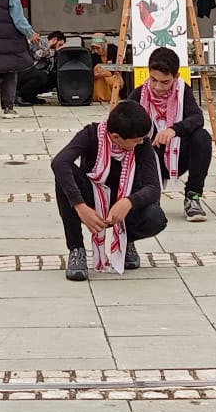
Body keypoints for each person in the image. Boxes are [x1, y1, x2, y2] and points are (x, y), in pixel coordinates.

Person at [52, 99, 166, 281]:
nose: (140, 143)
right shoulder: (91, 134)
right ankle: (76, 249)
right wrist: (80, 206)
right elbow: (59, 162)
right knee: (64, 178)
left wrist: (129, 202)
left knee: (156, 217)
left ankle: (127, 241)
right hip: (93, 196)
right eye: (135, 141)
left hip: (124, 199)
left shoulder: (142, 144)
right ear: (115, 137)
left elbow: (153, 187)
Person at [129, 45, 212, 222]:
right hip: (149, 159)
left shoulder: (183, 92)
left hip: (178, 154)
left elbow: (197, 117)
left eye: (165, 82)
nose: (158, 87)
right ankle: (147, 199)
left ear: (176, 77)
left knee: (202, 137)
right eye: (153, 80)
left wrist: (174, 129)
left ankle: (193, 197)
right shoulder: (138, 95)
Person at [18, 31, 69, 105]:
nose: (59, 47)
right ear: (55, 40)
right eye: (60, 44)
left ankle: (30, 96)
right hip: (24, 71)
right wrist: (53, 50)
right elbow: (36, 56)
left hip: (36, 73)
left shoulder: (53, 51)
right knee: (42, 76)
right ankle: (20, 95)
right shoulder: (38, 42)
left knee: (55, 77)